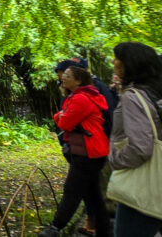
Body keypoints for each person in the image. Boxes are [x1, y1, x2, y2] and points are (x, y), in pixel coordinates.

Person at [38, 66, 111, 237]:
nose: (63, 77)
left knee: (72, 189)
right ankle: (105, 231)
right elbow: (65, 118)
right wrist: (62, 115)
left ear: (78, 81)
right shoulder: (84, 96)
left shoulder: (81, 99)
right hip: (93, 150)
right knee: (93, 194)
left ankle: (55, 227)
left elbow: (64, 123)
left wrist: (59, 116)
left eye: (68, 75)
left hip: (87, 152)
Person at [108, 42, 162, 237]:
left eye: (116, 58)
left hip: (143, 187)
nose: (113, 62)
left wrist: (115, 159)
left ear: (128, 64)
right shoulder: (155, 91)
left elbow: (141, 148)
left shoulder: (134, 97)